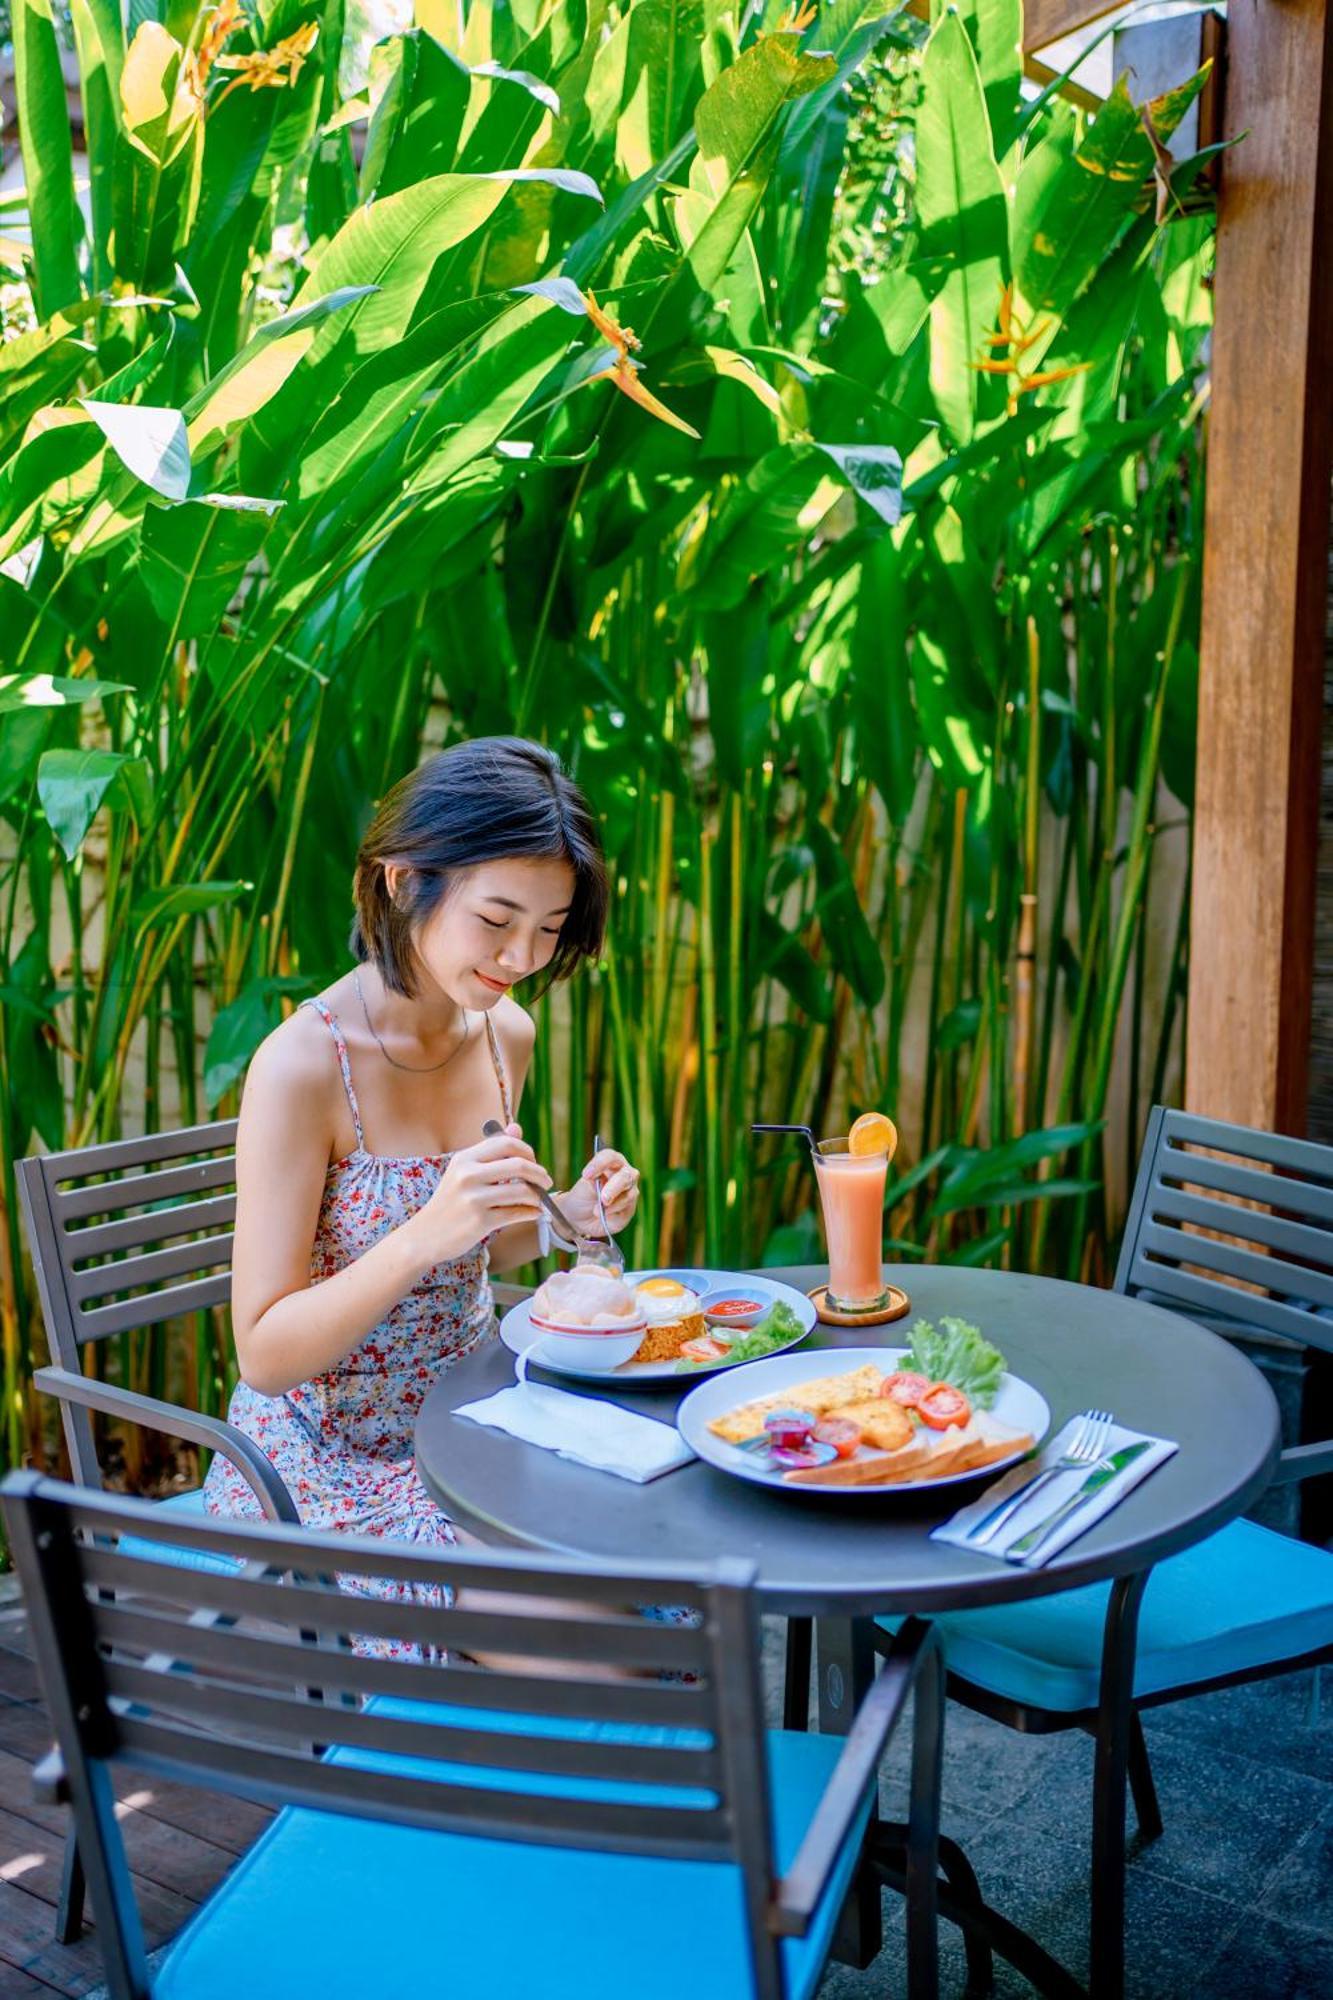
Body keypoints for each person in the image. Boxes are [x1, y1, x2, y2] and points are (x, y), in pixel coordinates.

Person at [204, 737, 640, 1653]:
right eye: (496, 918)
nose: (522, 955)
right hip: (332, 1457)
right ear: (405, 884)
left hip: (481, 1418)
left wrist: (567, 1218)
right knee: (602, 1650)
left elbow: (485, 1249)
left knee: (662, 1586)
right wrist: (418, 1237)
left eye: (551, 927)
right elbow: (265, 1355)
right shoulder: (301, 1068)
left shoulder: (502, 1034)